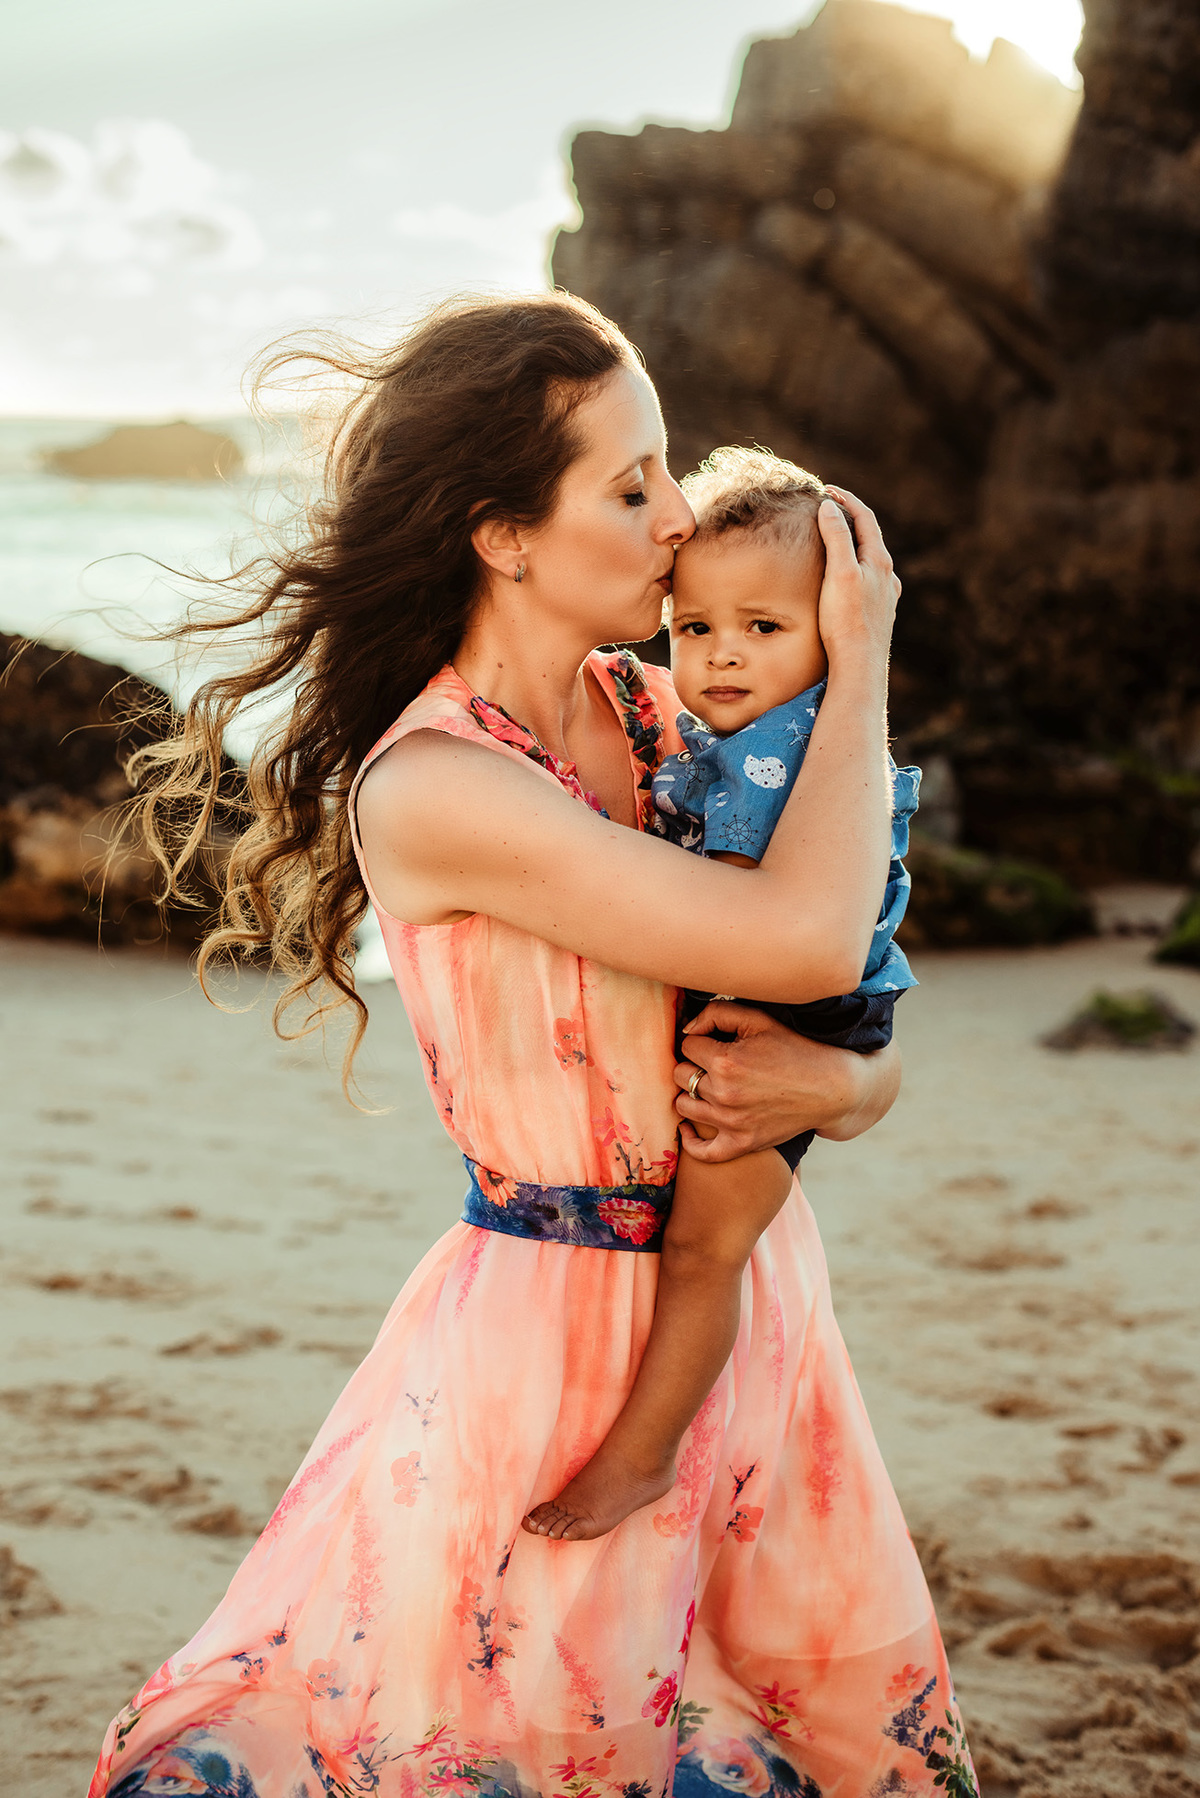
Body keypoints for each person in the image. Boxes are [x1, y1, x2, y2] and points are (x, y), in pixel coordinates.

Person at [89, 293, 978, 1798]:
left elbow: (847, 996)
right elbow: (811, 940)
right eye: (629, 483)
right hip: (553, 1334)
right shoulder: (439, 785)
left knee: (762, 1724)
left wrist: (848, 1081)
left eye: (668, 468)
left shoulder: (659, 709)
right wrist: (860, 644)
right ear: (505, 533)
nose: (678, 513)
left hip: (751, 1290)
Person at [524, 448, 920, 1545]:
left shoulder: (780, 754)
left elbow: (763, 924)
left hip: (792, 1007)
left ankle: (641, 1459)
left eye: (763, 627)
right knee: (699, 1247)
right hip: (808, 1007)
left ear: (834, 632)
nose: (723, 655)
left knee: (704, 1251)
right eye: (696, 630)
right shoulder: (749, 734)